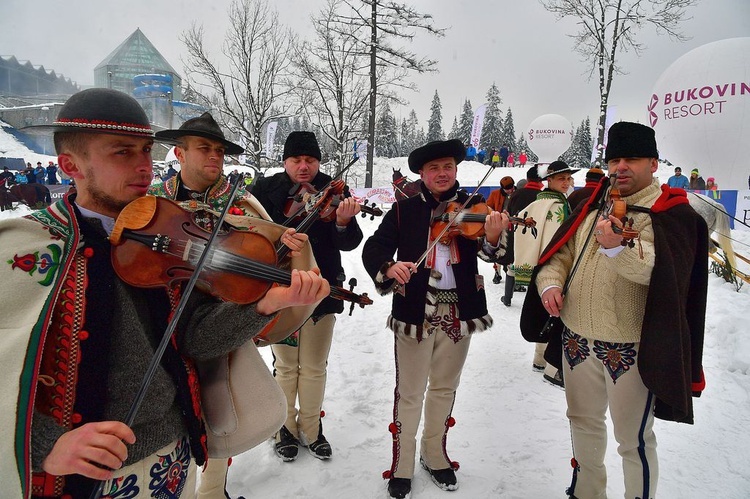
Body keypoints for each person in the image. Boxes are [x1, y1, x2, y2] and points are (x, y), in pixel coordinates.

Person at [1, 88, 329, 499]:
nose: (143, 166)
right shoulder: (25, 250)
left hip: (174, 454)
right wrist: (44, 444)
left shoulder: (169, 232)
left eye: (145, 150)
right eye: (123, 152)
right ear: (71, 165)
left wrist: (265, 304)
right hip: (78, 476)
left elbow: (196, 338)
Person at [521, 121, 708, 499]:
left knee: (633, 439)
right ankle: (587, 492)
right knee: (583, 424)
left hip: (630, 348)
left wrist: (617, 248)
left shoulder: (673, 214)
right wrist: (550, 283)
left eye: (632, 159)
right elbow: (560, 255)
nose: (620, 167)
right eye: (615, 159)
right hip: (577, 342)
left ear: (653, 163)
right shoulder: (590, 204)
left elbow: (664, 275)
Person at [151, 111, 312, 498]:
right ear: (179, 152)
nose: (214, 157)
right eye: (204, 148)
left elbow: (269, 257)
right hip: (160, 321)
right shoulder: (152, 202)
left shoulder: (241, 204)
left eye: (219, 150)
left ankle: (211, 490)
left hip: (220, 321)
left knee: (221, 410)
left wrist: (286, 251)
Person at [362, 139, 510, 499]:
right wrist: (389, 266)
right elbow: (374, 248)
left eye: (448, 166)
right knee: (410, 392)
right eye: (434, 169)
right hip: (415, 311)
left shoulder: (474, 207)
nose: (442, 174)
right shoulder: (404, 209)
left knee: (445, 388)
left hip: (460, 311)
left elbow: (495, 253)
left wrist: (492, 234)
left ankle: (434, 453)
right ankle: (403, 463)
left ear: (456, 170)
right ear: (422, 175)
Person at [251, 131, 364, 463]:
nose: (304, 167)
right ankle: (283, 428)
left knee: (314, 366)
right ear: (285, 161)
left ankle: (312, 429)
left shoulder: (334, 190)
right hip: (279, 292)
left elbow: (348, 242)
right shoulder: (263, 191)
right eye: (297, 160)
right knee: (286, 367)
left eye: (310, 160)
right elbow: (249, 235)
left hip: (322, 290)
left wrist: (344, 221)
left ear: (318, 162)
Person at [512, 160, 578, 386]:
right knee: (555, 313)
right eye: (562, 178)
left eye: (569, 178)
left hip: (540, 264)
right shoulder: (556, 206)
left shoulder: (540, 203)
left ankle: (540, 358)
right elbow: (555, 239)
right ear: (548, 181)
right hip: (552, 265)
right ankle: (551, 366)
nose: (566, 182)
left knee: (546, 311)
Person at [501, 165, 545, 305]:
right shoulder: (543, 196)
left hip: (516, 233)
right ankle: (532, 301)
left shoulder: (516, 194)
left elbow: (509, 213)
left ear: (527, 179)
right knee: (535, 265)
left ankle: (507, 298)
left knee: (513, 265)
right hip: (535, 235)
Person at [487, 175, 516, 284]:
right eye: (507, 189)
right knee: (498, 251)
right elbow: (488, 207)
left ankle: (510, 273)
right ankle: (497, 273)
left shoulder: (517, 193)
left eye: (511, 188)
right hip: (500, 225)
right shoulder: (495, 194)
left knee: (512, 252)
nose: (510, 191)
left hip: (513, 226)